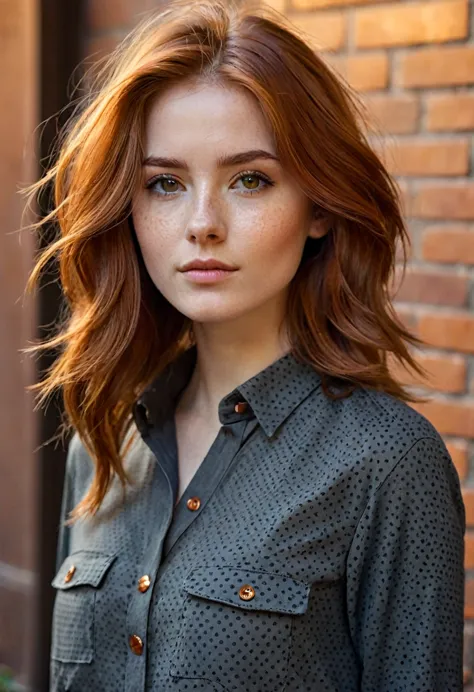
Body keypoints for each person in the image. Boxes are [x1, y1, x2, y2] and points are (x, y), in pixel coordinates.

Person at [24, 0, 465, 690]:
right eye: (164, 183)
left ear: (318, 206)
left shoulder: (386, 463)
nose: (203, 223)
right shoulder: (104, 443)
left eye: (249, 179)